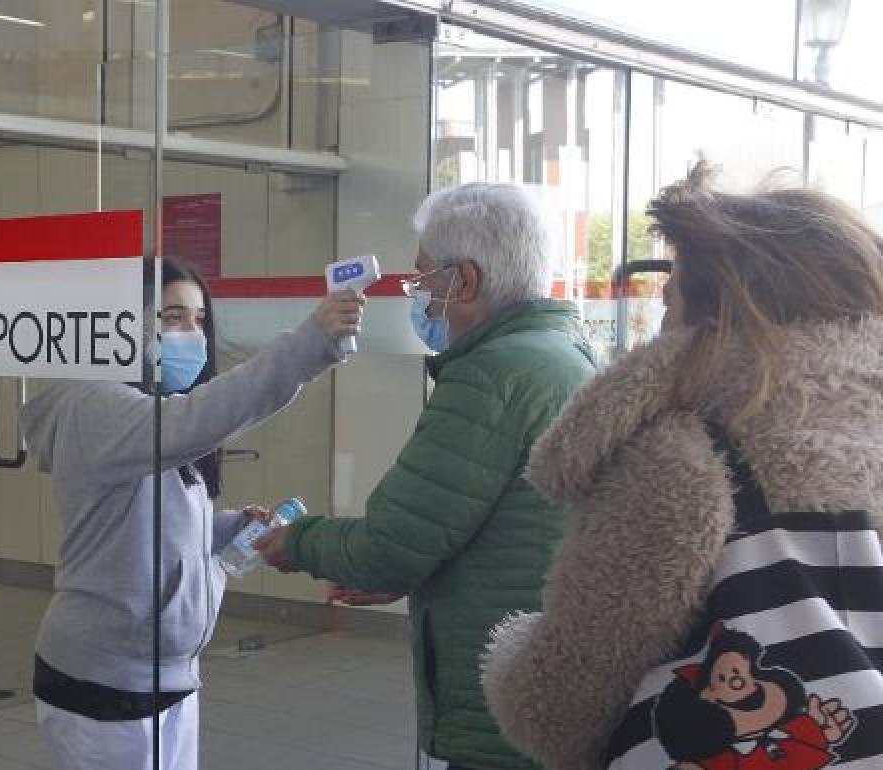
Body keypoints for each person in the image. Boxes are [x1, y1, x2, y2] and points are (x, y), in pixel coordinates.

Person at [481, 162, 883, 770]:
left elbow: (565, 698)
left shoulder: (678, 457)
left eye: (670, 300)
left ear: (718, 315)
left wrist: (512, 664)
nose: (660, 325)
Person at [255, 183, 598, 770]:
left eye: (422, 279)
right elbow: (498, 526)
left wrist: (296, 541)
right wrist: (412, 574)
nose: (417, 294)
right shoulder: (565, 354)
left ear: (463, 281)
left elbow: (388, 545)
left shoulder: (494, 373)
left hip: (503, 698)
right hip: (553, 674)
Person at [20, 257, 364, 770]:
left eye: (199, 320)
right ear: (123, 321)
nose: (192, 334)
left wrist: (229, 529)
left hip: (170, 675)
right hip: (104, 681)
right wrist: (308, 343)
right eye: (173, 317)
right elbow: (202, 418)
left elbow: (150, 526)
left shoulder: (151, 404)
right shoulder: (95, 405)